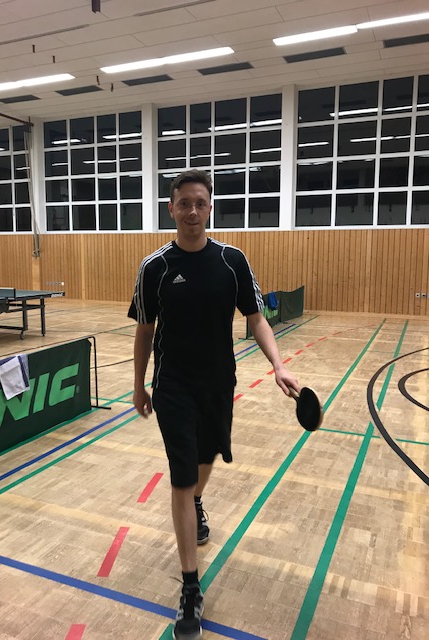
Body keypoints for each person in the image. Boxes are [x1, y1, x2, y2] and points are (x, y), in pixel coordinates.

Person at [128, 169, 299, 639]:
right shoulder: (154, 267)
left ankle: (197, 500)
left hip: (219, 384)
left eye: (199, 203)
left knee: (205, 462)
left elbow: (256, 318)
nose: (192, 211)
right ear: (171, 208)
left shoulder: (232, 261)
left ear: (210, 208)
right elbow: (144, 330)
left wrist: (279, 365)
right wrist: (139, 385)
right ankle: (190, 587)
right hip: (173, 387)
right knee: (182, 476)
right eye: (183, 203)